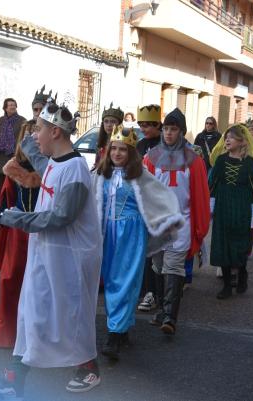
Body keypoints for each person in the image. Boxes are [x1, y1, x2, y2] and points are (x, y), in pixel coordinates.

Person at [0, 100, 102, 397]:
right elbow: (43, 163)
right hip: (47, 252)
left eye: (39, 129)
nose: (35, 134)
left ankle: (88, 368)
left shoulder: (74, 169)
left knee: (70, 314)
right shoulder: (57, 163)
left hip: (69, 257)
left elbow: (61, 216)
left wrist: (14, 217)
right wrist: (28, 139)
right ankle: (14, 379)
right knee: (33, 312)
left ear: (56, 133)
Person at [93, 125, 182, 359]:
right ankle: (121, 328)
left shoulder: (141, 176)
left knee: (126, 281)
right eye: (114, 149)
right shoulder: (101, 174)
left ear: (131, 152)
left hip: (131, 233)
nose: (117, 154)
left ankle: (114, 334)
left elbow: (161, 197)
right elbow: (89, 200)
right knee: (112, 282)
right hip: (108, 234)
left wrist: (168, 220)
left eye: (123, 149)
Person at [143, 107, 210, 335]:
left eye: (174, 130)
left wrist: (200, 228)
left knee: (174, 266)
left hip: (182, 221)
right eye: (166, 129)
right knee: (158, 266)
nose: (169, 134)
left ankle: (170, 316)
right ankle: (163, 310)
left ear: (181, 132)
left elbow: (200, 195)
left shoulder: (194, 161)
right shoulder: (151, 158)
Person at [0, 120, 41, 349]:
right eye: (29, 134)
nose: (33, 138)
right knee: (10, 280)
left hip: (42, 229)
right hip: (17, 233)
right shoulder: (12, 166)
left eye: (38, 134)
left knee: (38, 283)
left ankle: (36, 335)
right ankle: (8, 334)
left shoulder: (51, 167)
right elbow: (6, 199)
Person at [210, 125, 253, 299]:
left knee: (239, 244)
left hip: (241, 206)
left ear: (241, 142)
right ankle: (226, 285)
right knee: (223, 244)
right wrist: (210, 207)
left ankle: (242, 272)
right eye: (226, 137)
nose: (227, 140)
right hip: (223, 205)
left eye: (231, 138)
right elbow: (212, 184)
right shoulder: (221, 160)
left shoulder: (249, 163)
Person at [136, 104, 164, 313]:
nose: (144, 129)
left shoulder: (166, 145)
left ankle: (158, 292)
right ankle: (147, 290)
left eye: (148, 125)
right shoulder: (139, 145)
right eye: (141, 125)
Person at [0, 98, 27, 203]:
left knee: (14, 175)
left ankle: (16, 197)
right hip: (1, 154)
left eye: (14, 105)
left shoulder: (22, 120)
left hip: (15, 153)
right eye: (10, 105)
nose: (12, 106)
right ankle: (1, 197)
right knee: (0, 175)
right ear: (5, 108)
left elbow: (26, 137)